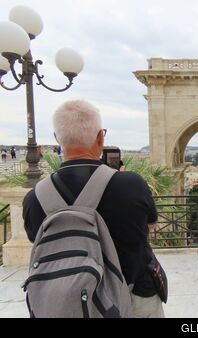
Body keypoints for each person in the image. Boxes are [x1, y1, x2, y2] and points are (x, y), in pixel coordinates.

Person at [22, 100, 165, 318]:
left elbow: (39, 242)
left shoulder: (35, 198)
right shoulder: (132, 185)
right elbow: (151, 224)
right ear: (100, 137)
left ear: (57, 139)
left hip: (68, 305)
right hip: (134, 294)